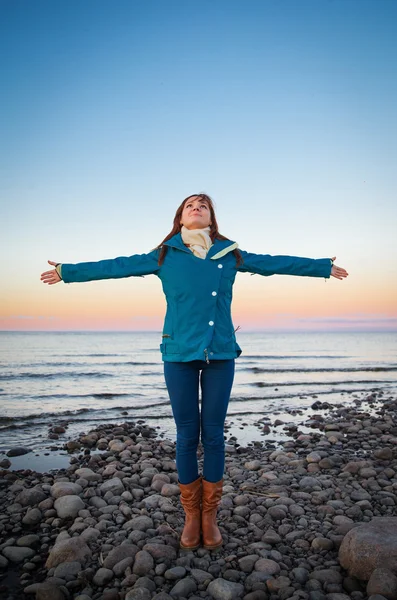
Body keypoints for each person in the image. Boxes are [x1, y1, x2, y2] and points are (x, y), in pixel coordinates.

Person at [41, 193, 348, 551]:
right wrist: (68, 272)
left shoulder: (229, 254)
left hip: (219, 351)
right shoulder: (165, 255)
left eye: (203, 205)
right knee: (187, 434)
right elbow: (116, 266)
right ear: (181, 218)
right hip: (178, 353)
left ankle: (209, 515)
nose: (197, 208)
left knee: (214, 433)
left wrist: (321, 266)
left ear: (211, 217)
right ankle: (191, 514)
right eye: (190, 205)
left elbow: (274, 262)